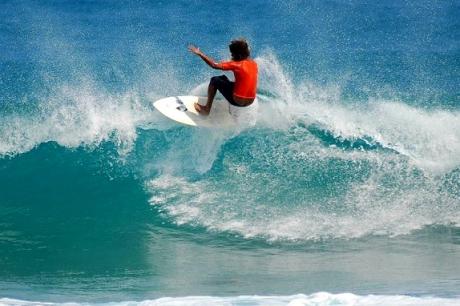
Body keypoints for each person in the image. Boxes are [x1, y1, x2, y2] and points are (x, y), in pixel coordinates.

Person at [188, 39, 258, 119]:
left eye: (232, 54)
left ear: (236, 54)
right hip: (250, 102)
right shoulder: (254, 64)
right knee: (224, 79)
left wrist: (199, 53)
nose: (231, 55)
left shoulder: (236, 64)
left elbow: (214, 65)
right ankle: (234, 113)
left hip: (237, 101)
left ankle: (206, 109)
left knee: (215, 80)